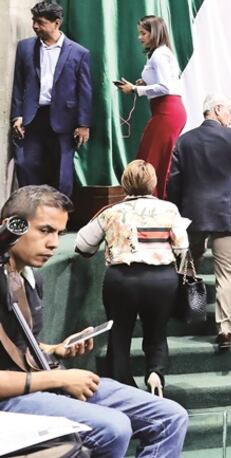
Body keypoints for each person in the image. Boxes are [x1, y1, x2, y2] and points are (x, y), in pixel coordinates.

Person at [0, 185, 188, 456]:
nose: (54, 243)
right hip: (12, 398)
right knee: (114, 427)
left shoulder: (29, 277)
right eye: (45, 230)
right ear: (13, 227)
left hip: (40, 380)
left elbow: (16, 346)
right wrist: (55, 380)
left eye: (59, 233)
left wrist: (55, 349)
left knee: (170, 416)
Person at [74, 160, 188, 395]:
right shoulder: (170, 209)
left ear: (124, 183)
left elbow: (83, 245)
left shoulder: (111, 211)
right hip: (162, 280)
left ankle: (122, 390)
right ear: (153, 183)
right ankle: (155, 375)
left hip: (122, 279)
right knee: (157, 333)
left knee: (119, 336)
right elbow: (182, 248)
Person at [168, 94, 231, 352]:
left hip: (193, 212)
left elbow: (174, 181)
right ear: (217, 109)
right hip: (227, 212)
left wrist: (177, 211)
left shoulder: (184, 141)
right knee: (226, 270)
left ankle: (183, 309)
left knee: (187, 262)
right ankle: (225, 329)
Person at [10, 0, 93, 197]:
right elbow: (18, 84)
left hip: (64, 120)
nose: (35, 26)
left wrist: (83, 124)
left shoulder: (79, 53)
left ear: (57, 23)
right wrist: (17, 116)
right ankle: (30, 215)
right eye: (33, 21)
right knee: (26, 164)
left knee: (62, 172)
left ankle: (58, 220)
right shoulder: (25, 48)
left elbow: (85, 91)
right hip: (33, 117)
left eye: (40, 22)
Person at [115, 16, 186, 198]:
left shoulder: (159, 55)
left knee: (152, 160)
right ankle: (156, 199)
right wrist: (146, 82)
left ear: (154, 33)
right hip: (168, 110)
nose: (140, 37)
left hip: (167, 111)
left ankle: (153, 201)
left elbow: (165, 87)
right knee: (155, 158)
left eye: (143, 33)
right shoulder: (162, 53)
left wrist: (135, 89)